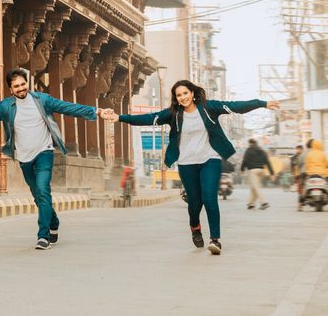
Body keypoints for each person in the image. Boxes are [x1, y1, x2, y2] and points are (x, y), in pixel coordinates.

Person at [104, 79, 279, 255]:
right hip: (186, 163)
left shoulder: (209, 107)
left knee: (210, 198)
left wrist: (262, 104)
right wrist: (119, 117)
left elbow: (236, 106)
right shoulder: (173, 114)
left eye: (185, 93)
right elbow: (148, 118)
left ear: (193, 93)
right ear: (176, 98)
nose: (183, 97)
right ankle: (195, 227)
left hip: (210, 159)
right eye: (179, 95)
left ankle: (215, 240)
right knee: (195, 203)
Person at [0, 68, 108, 250]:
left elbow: (67, 107)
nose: (21, 88)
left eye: (23, 84)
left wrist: (96, 111)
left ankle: (43, 237)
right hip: (24, 157)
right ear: (11, 89)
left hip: (44, 152)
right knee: (38, 196)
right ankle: (53, 221)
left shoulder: (42, 100)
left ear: (27, 83)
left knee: (43, 191)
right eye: (16, 86)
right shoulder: (6, 106)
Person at [240, 138, 275, 210]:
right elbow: (267, 162)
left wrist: (242, 169)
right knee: (254, 187)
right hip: (261, 170)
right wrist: (272, 173)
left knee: (255, 187)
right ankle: (251, 204)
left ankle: (264, 202)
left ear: (250, 143)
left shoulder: (249, 149)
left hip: (253, 170)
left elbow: (245, 160)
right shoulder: (261, 150)